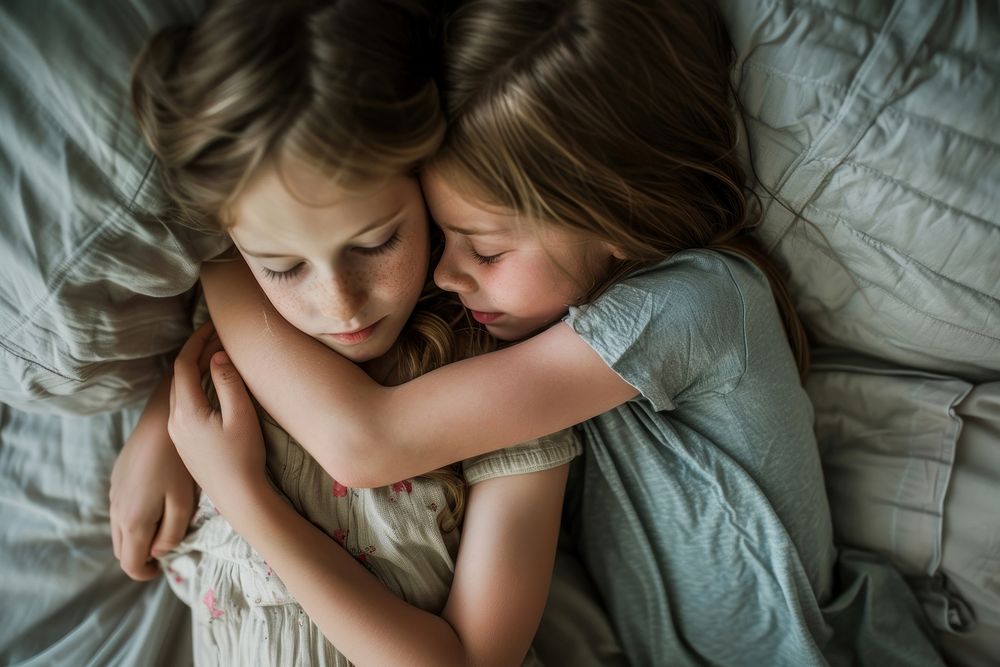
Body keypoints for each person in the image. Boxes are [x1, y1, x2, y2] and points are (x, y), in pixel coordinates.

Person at [191, 0, 947, 664]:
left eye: (485, 249)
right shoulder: (544, 312)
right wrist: (168, 430)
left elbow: (367, 440)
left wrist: (223, 266)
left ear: (612, 215)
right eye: (443, 238)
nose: (447, 276)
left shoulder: (695, 304)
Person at [114, 1, 587, 665]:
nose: (339, 303)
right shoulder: (231, 326)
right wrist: (161, 419)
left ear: (426, 178)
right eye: (281, 267)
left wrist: (243, 495)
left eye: (377, 241)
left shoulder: (498, 376)